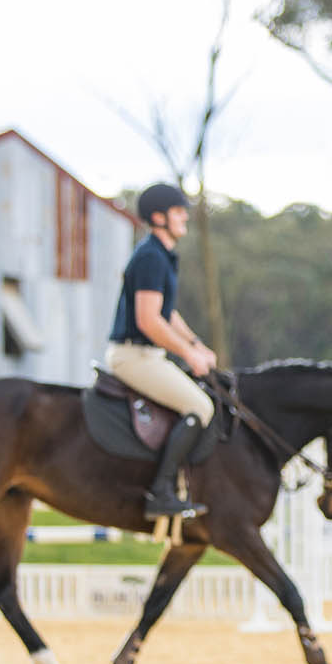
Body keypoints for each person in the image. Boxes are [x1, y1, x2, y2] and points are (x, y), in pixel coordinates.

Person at [104, 183, 218, 519]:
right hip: (134, 355)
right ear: (159, 217)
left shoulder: (161, 254)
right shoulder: (151, 256)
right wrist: (188, 355)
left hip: (147, 355)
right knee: (200, 406)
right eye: (178, 211)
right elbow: (149, 321)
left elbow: (167, 313)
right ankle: (161, 492)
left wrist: (195, 344)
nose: (185, 216)